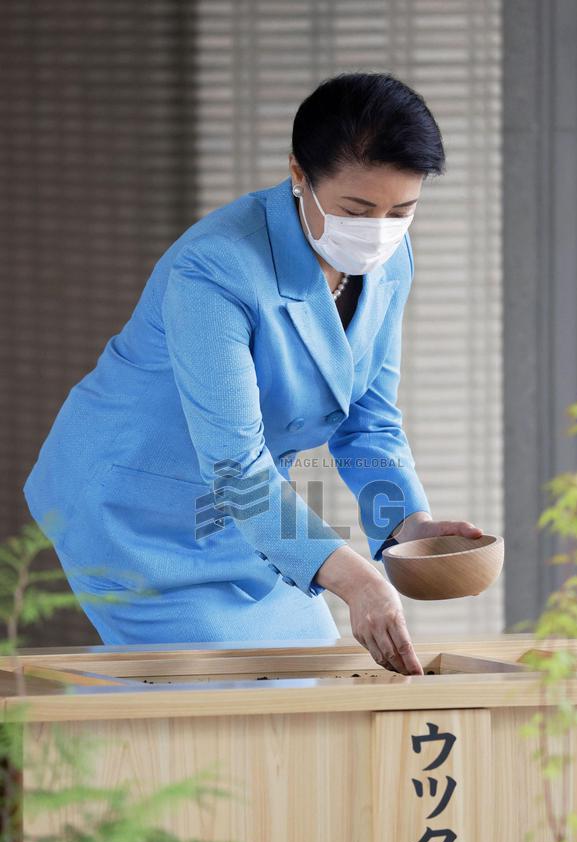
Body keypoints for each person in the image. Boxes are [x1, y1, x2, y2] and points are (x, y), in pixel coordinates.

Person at [22, 71, 483, 674]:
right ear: (299, 174)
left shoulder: (390, 260)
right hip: (138, 507)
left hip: (253, 512)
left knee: (309, 679)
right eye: (357, 208)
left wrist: (405, 526)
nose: (380, 230)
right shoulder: (215, 269)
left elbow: (369, 419)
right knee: (225, 693)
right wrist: (355, 578)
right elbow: (234, 466)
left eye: (403, 209)